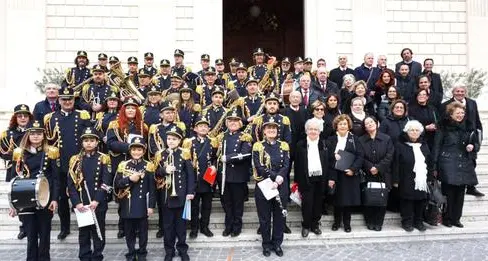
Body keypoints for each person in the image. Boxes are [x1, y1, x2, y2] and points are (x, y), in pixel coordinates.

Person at [44, 87, 92, 240]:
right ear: (59, 101)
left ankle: (85, 227)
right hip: (60, 163)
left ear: (74, 100)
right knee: (62, 199)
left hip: (80, 163)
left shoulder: (82, 115)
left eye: (70, 99)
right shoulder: (50, 118)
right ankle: (65, 228)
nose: (67, 102)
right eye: (64, 99)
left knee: (82, 196)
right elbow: (47, 140)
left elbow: (90, 136)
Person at [8, 120, 59, 261]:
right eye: (33, 134)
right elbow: (13, 180)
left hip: (45, 198)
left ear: (43, 136)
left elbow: (55, 178)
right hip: (25, 199)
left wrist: (54, 199)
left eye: (39, 134)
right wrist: (13, 205)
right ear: (28, 135)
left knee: (44, 235)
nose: (36, 136)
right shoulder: (19, 153)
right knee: (31, 236)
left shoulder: (51, 152)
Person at [68, 127, 111, 261]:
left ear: (97, 142)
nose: (89, 143)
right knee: (84, 232)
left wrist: (97, 200)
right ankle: (84, 256)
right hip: (82, 202)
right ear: (82, 142)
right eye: (86, 140)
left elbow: (106, 182)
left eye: (92, 140)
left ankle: (97, 255)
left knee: (98, 231)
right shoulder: (75, 160)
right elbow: (70, 184)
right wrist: (77, 203)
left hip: (98, 202)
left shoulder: (104, 158)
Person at [106, 98, 148, 238]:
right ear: (123, 110)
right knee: (122, 197)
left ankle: (136, 227)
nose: (131, 110)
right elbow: (110, 143)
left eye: (133, 108)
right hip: (121, 164)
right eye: (128, 108)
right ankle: (122, 226)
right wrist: (129, 147)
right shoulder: (114, 124)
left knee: (136, 197)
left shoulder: (143, 126)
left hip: (138, 164)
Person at [433, 102, 479, 228]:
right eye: (457, 113)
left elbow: (476, 143)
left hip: (464, 162)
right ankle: (447, 218)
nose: (460, 115)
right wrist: (434, 165)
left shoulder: (469, 127)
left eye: (462, 113)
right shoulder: (443, 127)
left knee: (460, 193)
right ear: (451, 114)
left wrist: (473, 146)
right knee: (449, 192)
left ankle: (456, 219)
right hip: (447, 162)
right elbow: (437, 146)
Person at [154, 126, 195, 261]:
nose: (171, 141)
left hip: (181, 195)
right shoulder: (161, 154)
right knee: (167, 226)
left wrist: (190, 192)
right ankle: (169, 251)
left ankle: (182, 249)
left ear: (179, 140)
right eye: (169, 139)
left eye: (174, 139)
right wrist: (164, 170)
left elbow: (190, 175)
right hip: (166, 196)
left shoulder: (184, 153)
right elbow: (155, 174)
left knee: (181, 226)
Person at [114, 137, 156, 261]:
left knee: (143, 232)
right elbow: (117, 184)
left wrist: (151, 206)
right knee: (129, 231)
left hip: (142, 204)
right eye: (134, 150)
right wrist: (129, 179)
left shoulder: (148, 166)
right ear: (130, 151)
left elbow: (151, 189)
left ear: (143, 151)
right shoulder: (123, 165)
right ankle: (131, 252)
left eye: (139, 150)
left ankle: (142, 252)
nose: (136, 152)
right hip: (127, 203)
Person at [252, 118, 290, 257]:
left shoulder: (284, 145)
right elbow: (259, 165)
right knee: (265, 217)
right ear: (264, 131)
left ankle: (277, 244)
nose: (271, 130)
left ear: (277, 131)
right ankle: (266, 244)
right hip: (264, 184)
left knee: (280, 217)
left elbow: (286, 164)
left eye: (274, 128)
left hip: (281, 185)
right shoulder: (258, 146)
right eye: (268, 129)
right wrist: (274, 177)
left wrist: (280, 178)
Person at [440, 85, 484, 197]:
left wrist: (478, 135)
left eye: (462, 91)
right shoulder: (445, 105)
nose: (460, 93)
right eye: (457, 91)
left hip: (470, 136)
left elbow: (477, 120)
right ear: (453, 92)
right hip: (454, 137)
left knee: (471, 162)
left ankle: (470, 187)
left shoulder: (472, 103)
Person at [217, 110, 253, 237]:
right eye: (230, 121)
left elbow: (245, 154)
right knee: (226, 202)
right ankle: (228, 225)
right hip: (224, 176)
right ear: (227, 123)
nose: (233, 123)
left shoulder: (245, 136)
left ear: (240, 123)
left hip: (238, 175)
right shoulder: (222, 137)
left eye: (236, 121)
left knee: (237, 203)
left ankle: (237, 226)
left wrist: (229, 158)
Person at [393, 120, 432, 232]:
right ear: (407, 132)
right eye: (412, 130)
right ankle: (407, 222)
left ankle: (418, 221)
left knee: (421, 201)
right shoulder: (400, 145)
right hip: (406, 177)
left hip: (421, 179)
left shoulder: (424, 145)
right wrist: (395, 179)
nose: (414, 132)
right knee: (407, 201)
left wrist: (430, 177)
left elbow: (429, 162)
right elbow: (395, 163)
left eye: (417, 130)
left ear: (420, 132)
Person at [0, 104, 33, 239]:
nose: (23, 118)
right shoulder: (8, 134)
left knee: (29, 196)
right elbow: (2, 152)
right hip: (15, 169)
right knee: (18, 198)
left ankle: (29, 225)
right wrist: (14, 155)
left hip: (32, 168)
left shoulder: (34, 131)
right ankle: (23, 226)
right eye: (20, 116)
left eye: (25, 116)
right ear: (15, 118)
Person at [182, 116, 218, 239]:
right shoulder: (188, 142)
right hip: (194, 180)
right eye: (200, 126)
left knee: (207, 206)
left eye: (205, 126)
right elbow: (186, 161)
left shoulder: (213, 141)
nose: (203, 128)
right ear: (195, 129)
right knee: (194, 206)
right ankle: (194, 228)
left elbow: (215, 158)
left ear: (209, 129)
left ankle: (205, 227)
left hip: (208, 179)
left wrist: (214, 166)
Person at [328, 114, 363, 233]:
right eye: (340, 124)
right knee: (337, 200)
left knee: (348, 201)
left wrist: (353, 169)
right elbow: (326, 157)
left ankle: (347, 223)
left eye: (344, 124)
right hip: (335, 174)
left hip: (349, 174)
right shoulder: (331, 140)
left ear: (348, 126)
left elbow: (360, 156)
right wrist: (333, 156)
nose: (342, 126)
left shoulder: (354, 139)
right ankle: (337, 222)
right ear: (336, 126)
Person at [294, 118, 329, 237]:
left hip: (321, 178)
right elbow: (297, 164)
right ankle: (306, 225)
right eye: (310, 129)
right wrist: (297, 182)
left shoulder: (324, 144)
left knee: (318, 203)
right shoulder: (300, 145)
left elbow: (329, 162)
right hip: (306, 178)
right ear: (306, 131)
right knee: (307, 204)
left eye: (315, 129)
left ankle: (315, 225)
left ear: (319, 131)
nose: (313, 131)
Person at [359, 116, 394, 231]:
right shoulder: (361, 140)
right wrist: (370, 167)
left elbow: (389, 155)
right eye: (367, 123)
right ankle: (369, 221)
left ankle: (379, 222)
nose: (369, 124)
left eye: (371, 122)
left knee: (381, 199)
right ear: (364, 127)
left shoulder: (386, 138)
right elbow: (360, 156)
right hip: (367, 173)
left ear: (377, 123)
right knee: (368, 197)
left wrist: (378, 167)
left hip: (383, 173)